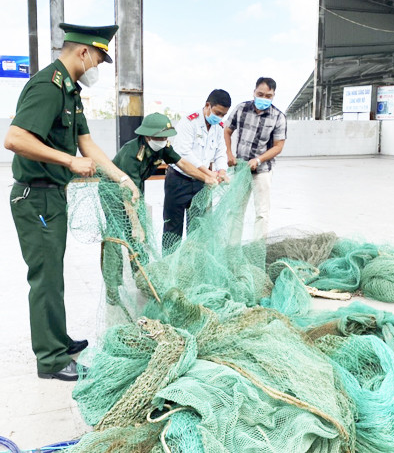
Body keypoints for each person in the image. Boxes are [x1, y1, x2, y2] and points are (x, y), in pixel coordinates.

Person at [4, 23, 140, 381]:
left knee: (54, 275)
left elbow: (87, 145)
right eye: (98, 58)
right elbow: (15, 138)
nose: (97, 67)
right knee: (45, 278)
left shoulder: (70, 92)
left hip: (52, 196)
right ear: (82, 52)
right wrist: (68, 161)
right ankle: (50, 360)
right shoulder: (48, 86)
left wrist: (121, 177)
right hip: (36, 197)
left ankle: (58, 340)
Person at [102, 112, 217, 304]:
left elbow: (182, 163)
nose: (163, 141)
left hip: (134, 191)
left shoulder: (162, 147)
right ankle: (113, 288)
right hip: (114, 191)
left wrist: (205, 177)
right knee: (118, 235)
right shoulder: (132, 154)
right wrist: (135, 224)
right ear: (147, 136)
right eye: (159, 137)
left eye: (165, 137)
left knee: (139, 238)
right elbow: (126, 195)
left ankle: (142, 277)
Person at [162, 89, 231, 253]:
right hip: (179, 180)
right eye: (217, 113)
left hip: (201, 185)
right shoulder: (189, 121)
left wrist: (221, 171)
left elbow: (221, 152)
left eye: (223, 115)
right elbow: (184, 153)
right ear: (208, 106)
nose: (220, 117)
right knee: (173, 229)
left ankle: (193, 267)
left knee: (198, 229)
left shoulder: (218, 127)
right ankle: (167, 268)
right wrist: (207, 173)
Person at [224, 77, 286, 243]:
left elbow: (278, 146)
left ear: (273, 96)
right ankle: (232, 247)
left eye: (268, 96)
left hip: (262, 171)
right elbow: (227, 130)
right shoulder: (241, 109)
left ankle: (257, 248)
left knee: (262, 213)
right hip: (240, 168)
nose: (264, 98)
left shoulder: (278, 117)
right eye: (260, 94)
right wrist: (229, 153)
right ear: (254, 92)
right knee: (235, 209)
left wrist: (258, 160)